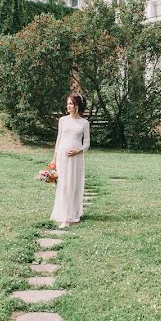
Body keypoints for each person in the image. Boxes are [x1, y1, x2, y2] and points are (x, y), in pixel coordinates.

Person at [50, 93, 90, 229]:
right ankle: (63, 215)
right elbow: (59, 139)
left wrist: (78, 151)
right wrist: (54, 158)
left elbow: (87, 144)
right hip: (62, 156)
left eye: (71, 104)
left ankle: (72, 213)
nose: (68, 106)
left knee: (73, 184)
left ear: (77, 106)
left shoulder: (84, 123)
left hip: (76, 158)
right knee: (63, 184)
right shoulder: (62, 120)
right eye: (67, 103)